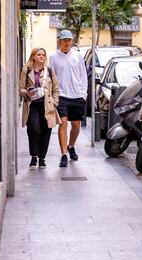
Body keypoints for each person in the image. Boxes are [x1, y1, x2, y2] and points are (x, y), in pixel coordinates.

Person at [49, 30, 88, 167]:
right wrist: (53, 96)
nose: (67, 42)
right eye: (64, 40)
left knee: (76, 125)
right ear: (60, 41)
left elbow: (83, 75)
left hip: (77, 95)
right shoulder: (53, 57)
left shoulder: (77, 56)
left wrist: (84, 94)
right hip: (62, 96)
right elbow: (51, 77)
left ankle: (71, 146)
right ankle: (64, 154)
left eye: (69, 40)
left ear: (71, 41)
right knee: (63, 123)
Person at [19, 47, 61, 169]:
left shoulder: (49, 70)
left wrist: (55, 103)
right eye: (39, 54)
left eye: (43, 54)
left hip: (47, 106)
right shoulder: (26, 70)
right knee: (34, 129)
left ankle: (42, 158)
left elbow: (56, 89)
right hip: (32, 105)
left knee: (46, 131)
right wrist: (26, 93)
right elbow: (20, 88)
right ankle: (34, 156)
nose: (41, 57)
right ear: (33, 56)